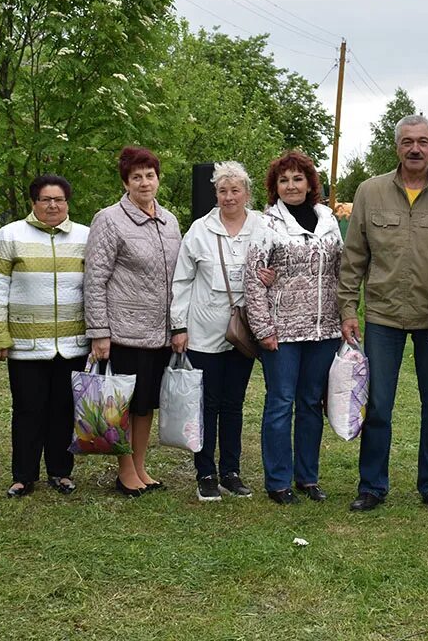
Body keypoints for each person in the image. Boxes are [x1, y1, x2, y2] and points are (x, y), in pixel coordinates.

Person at [339, 114, 428, 513]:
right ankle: (372, 485)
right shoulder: (369, 191)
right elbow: (354, 255)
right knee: (378, 404)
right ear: (397, 147)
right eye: (408, 141)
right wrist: (347, 308)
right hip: (383, 315)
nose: (415, 148)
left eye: (423, 142)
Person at [244, 151, 343, 505]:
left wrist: (347, 316)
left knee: (311, 403)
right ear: (275, 187)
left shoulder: (329, 219)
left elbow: (341, 271)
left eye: (297, 179)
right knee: (280, 403)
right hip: (281, 331)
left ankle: (308, 477)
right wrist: (263, 329)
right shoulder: (266, 224)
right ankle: (278, 481)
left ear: (309, 183)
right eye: (284, 180)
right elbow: (253, 280)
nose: (291, 185)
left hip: (324, 329)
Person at [0, 174, 89, 498]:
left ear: (67, 203)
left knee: (64, 409)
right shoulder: (10, 235)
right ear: (34, 203)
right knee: (28, 410)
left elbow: (97, 287)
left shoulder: (86, 236)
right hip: (26, 344)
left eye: (59, 199)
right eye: (46, 199)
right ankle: (23, 476)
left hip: (72, 343)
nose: (53, 205)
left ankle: (61, 472)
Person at [84, 146, 181, 497]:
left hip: (159, 333)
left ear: (158, 178)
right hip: (123, 331)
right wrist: (99, 332)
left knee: (145, 405)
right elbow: (95, 277)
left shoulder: (169, 221)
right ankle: (124, 471)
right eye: (136, 177)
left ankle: (140, 466)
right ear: (125, 182)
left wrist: (177, 326)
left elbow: (178, 278)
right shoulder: (109, 219)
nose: (144, 182)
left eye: (150, 175)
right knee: (121, 405)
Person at [170, 161, 264, 502]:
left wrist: (270, 277)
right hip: (204, 330)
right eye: (223, 190)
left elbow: (275, 266)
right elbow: (181, 281)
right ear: (216, 194)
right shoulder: (199, 230)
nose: (229, 197)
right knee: (207, 403)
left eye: (235, 190)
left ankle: (231, 471)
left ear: (247, 193)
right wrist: (178, 326)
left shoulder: (263, 226)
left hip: (244, 330)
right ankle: (206, 472)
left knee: (234, 403)